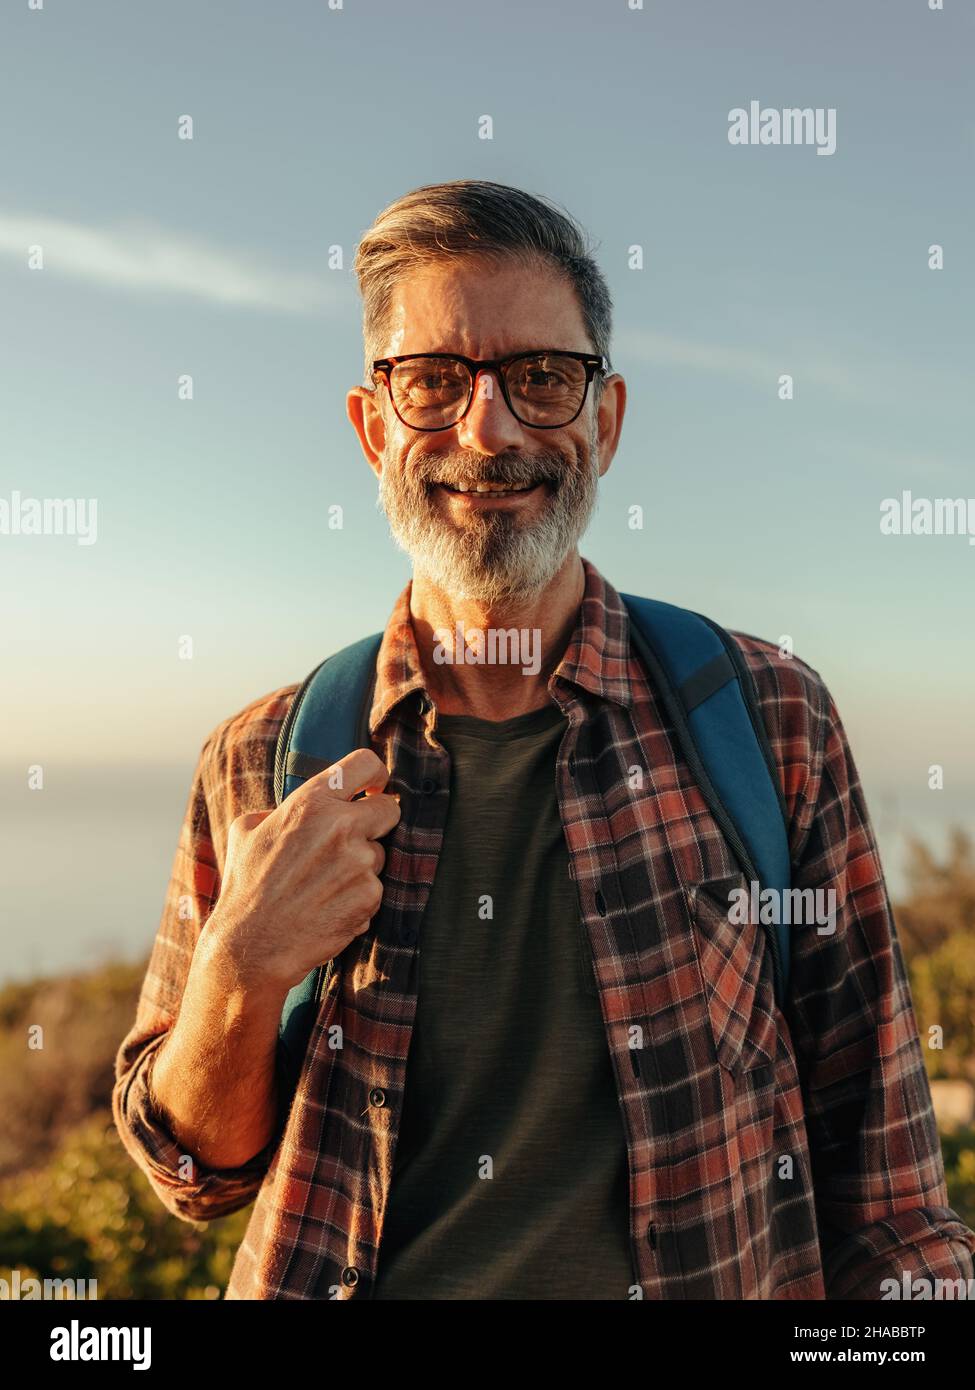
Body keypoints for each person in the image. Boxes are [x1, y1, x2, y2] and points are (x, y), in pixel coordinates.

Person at [113, 179, 975, 1300]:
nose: (490, 429)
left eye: (542, 378)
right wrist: (238, 970)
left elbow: (891, 1183)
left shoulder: (765, 717)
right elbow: (193, 1171)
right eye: (433, 382)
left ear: (603, 422)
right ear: (374, 429)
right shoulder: (262, 756)